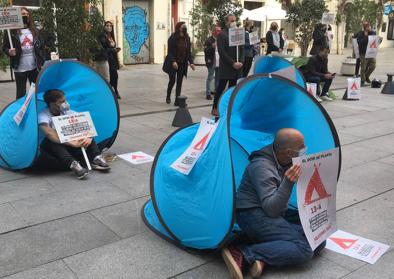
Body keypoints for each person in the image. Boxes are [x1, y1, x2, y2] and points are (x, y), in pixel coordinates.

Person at [222, 129, 325, 279]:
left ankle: (267, 253)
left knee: (319, 237)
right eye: (301, 147)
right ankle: (243, 253)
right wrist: (288, 182)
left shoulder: (285, 159)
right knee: (305, 249)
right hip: (251, 213)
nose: (305, 148)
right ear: (289, 152)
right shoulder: (261, 167)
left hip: (269, 210)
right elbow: (272, 210)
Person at [38, 89, 110, 179]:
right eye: (62, 101)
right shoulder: (43, 115)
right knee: (52, 140)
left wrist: (89, 137)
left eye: (65, 100)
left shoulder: (68, 112)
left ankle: (96, 157)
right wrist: (71, 143)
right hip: (54, 148)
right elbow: (49, 134)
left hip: (72, 144)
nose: (66, 103)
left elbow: (86, 125)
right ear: (52, 104)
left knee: (86, 135)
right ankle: (74, 164)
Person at [2, 7, 45, 99]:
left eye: (27, 14)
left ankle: (35, 110)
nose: (25, 16)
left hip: (34, 68)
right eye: (22, 14)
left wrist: (42, 60)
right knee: (21, 94)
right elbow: (4, 47)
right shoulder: (11, 31)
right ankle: (21, 111)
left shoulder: (35, 31)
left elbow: (41, 47)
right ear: (18, 16)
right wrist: (9, 51)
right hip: (19, 68)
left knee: (36, 93)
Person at [212, 14, 243, 117]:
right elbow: (222, 52)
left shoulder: (238, 32)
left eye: (235, 20)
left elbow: (241, 49)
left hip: (236, 66)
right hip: (226, 66)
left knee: (232, 88)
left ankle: (228, 107)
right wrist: (232, 63)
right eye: (231, 20)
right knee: (221, 87)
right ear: (226, 22)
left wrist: (241, 62)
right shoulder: (222, 34)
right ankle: (215, 107)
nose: (233, 22)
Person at [163, 21, 195, 106]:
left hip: (182, 63)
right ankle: (168, 96)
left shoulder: (187, 38)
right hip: (172, 63)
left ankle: (177, 100)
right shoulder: (173, 38)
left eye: (185, 26)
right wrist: (173, 61)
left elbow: (188, 52)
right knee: (172, 80)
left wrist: (191, 63)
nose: (184, 27)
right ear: (179, 28)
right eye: (183, 26)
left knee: (179, 82)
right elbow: (170, 52)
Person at [100, 21, 121, 99]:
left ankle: (115, 90)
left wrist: (115, 49)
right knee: (108, 76)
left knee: (115, 76)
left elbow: (111, 47)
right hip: (106, 58)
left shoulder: (111, 36)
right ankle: (110, 91)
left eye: (110, 26)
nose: (109, 27)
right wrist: (113, 50)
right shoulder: (103, 36)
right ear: (104, 26)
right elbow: (103, 48)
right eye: (107, 26)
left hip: (113, 59)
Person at [356, 21, 377, 86]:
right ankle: (362, 81)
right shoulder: (360, 33)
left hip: (371, 52)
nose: (367, 27)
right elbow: (360, 43)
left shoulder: (372, 32)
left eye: (368, 25)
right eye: (365, 25)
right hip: (363, 53)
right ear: (363, 26)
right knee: (363, 68)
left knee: (373, 66)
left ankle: (366, 76)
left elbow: (374, 38)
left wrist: (370, 32)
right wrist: (365, 36)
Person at [204, 25, 221, 100]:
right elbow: (206, 51)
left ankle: (216, 91)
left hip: (219, 61)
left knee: (218, 78)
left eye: (220, 31)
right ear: (214, 31)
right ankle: (208, 93)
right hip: (212, 61)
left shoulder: (221, 39)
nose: (219, 32)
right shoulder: (209, 40)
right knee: (210, 77)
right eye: (217, 31)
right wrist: (212, 47)